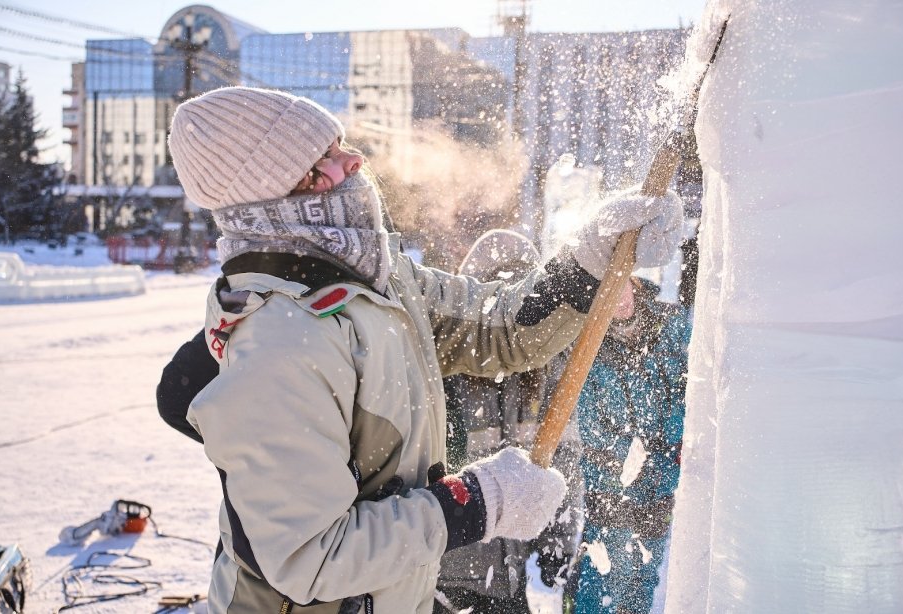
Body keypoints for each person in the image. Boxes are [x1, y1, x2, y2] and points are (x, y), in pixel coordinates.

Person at [159, 85, 684, 614]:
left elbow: (497, 328)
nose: (355, 159)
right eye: (331, 156)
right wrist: (477, 505)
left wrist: (588, 260)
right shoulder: (276, 344)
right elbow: (312, 558)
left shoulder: (381, 280)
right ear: (295, 186)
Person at [435, 230, 583, 614]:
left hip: (505, 576)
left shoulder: (551, 375)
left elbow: (564, 466)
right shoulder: (443, 372)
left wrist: (560, 543)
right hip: (444, 572)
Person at [573, 275, 692, 614]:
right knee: (604, 569)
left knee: (644, 572)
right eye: (606, 292)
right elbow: (589, 418)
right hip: (609, 478)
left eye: (621, 285)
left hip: (661, 476)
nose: (617, 299)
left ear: (636, 283)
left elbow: (688, 393)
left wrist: (661, 451)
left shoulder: (671, 326)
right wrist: (629, 454)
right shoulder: (588, 343)